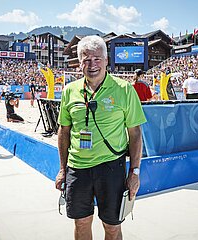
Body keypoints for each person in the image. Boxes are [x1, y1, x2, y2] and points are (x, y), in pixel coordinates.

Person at [55, 35, 147, 240]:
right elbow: (64, 131)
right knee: (81, 223)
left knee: (112, 226)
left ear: (106, 61)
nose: (92, 64)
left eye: (97, 59)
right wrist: (63, 169)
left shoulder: (124, 89)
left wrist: (135, 172)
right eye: (86, 59)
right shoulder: (70, 91)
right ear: (79, 63)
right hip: (77, 167)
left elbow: (135, 134)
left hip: (111, 167)